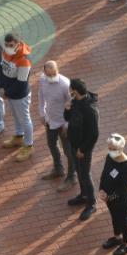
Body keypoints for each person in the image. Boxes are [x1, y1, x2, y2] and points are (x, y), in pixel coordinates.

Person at [65, 79, 100, 220]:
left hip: (82, 149)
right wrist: (67, 110)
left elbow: (94, 134)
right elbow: (68, 119)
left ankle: (91, 203)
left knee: (85, 173)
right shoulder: (74, 102)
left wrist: (83, 149)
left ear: (75, 90)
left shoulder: (90, 110)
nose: (69, 91)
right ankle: (83, 195)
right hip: (74, 144)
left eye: (70, 89)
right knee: (79, 171)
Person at [36, 61, 73, 189]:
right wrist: (42, 113)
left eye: (53, 74)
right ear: (45, 72)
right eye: (48, 75)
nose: (51, 78)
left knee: (68, 151)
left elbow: (71, 104)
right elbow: (40, 96)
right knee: (51, 144)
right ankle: (58, 168)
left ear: (57, 70)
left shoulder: (65, 84)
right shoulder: (42, 80)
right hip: (50, 120)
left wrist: (67, 124)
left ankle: (72, 176)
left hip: (63, 123)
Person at [0, 34, 34, 161]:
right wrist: (2, 86)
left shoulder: (24, 60)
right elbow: (2, 69)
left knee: (25, 119)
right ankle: (19, 137)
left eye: (11, 45)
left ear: (18, 44)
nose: (8, 48)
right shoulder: (6, 53)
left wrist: (6, 93)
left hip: (20, 95)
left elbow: (21, 83)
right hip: (9, 92)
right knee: (15, 115)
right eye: (6, 45)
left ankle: (29, 145)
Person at [98, 134, 127, 250]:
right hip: (109, 197)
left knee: (123, 220)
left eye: (113, 149)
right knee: (114, 217)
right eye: (109, 148)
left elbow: (122, 188)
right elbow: (104, 174)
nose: (110, 151)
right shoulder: (110, 157)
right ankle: (117, 237)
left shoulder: (126, 167)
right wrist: (101, 189)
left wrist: (110, 197)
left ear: (121, 149)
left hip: (120, 200)